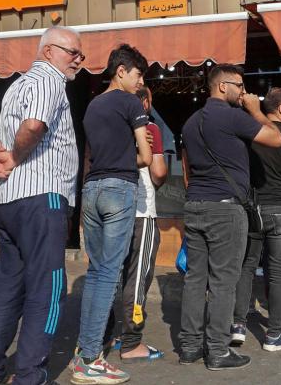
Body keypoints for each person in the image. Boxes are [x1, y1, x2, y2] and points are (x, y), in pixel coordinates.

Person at [0, 26, 82, 385]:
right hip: (42, 198)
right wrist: (18, 157)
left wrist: (7, 160)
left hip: (9, 201)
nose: (79, 62)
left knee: (6, 292)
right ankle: (29, 376)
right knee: (48, 290)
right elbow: (33, 127)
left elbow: (0, 141)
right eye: (73, 53)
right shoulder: (49, 80)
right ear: (49, 51)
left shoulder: (14, 87)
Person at [179, 64, 281, 370]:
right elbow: (276, 138)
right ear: (223, 86)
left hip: (195, 203)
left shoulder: (190, 122)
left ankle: (189, 347)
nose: (244, 91)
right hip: (225, 208)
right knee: (224, 281)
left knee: (195, 280)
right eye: (240, 85)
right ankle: (218, 350)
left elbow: (186, 169)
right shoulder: (234, 115)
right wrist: (255, 110)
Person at [72, 44, 152, 385]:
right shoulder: (130, 103)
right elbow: (146, 156)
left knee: (96, 273)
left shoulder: (92, 106)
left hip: (90, 190)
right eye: (137, 74)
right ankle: (90, 358)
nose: (140, 81)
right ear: (121, 71)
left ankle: (84, 351)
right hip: (119, 189)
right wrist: (130, 157)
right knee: (108, 275)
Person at [231, 88, 281, 352]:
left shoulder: (249, 134)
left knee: (247, 265)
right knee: (278, 272)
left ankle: (238, 325)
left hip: (253, 207)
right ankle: (274, 335)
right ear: (280, 109)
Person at [112, 85, 168, 362]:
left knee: (112, 275)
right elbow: (158, 172)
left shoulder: (108, 126)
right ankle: (131, 341)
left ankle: (108, 335)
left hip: (111, 210)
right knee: (138, 276)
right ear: (144, 103)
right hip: (141, 211)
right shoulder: (149, 129)